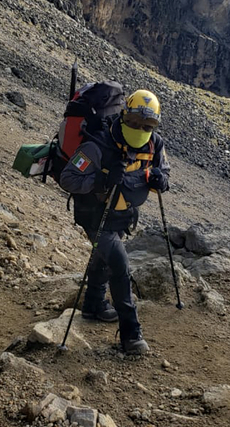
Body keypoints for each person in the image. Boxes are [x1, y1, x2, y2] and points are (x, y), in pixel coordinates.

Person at [60, 89, 170, 356]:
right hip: (93, 215)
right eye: (133, 121)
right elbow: (68, 179)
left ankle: (94, 305)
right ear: (123, 115)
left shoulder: (154, 144)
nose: (139, 128)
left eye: (147, 125)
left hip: (121, 215)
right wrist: (101, 181)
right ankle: (131, 333)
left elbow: (164, 173)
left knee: (105, 257)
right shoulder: (97, 145)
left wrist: (160, 180)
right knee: (119, 262)